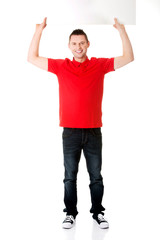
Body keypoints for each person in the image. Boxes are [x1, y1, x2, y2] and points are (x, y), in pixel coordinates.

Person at [27, 17, 134, 229]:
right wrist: (39, 30)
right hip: (70, 132)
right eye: (74, 43)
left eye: (82, 43)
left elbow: (129, 57)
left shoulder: (99, 64)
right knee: (69, 177)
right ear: (69, 46)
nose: (78, 47)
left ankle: (98, 213)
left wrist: (121, 30)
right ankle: (70, 214)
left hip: (94, 131)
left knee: (96, 176)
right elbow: (31, 58)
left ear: (88, 44)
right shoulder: (62, 66)